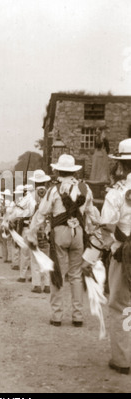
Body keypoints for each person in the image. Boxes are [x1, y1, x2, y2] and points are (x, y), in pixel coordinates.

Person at [28, 154, 97, 327]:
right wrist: (92, 230)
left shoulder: (54, 190)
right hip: (78, 233)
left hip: (60, 232)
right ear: (74, 171)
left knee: (57, 272)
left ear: (58, 170)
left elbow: (42, 212)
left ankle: (57, 315)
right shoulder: (85, 188)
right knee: (76, 275)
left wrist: (32, 232)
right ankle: (78, 315)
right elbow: (91, 212)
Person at [82, 138, 131, 374]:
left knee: (121, 306)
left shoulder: (117, 194)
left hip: (125, 255)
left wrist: (89, 258)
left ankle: (122, 360)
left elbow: (106, 231)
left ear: (121, 165)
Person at [27, 170, 51, 293]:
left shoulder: (31, 195)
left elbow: (28, 212)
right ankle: (47, 284)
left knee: (35, 257)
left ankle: (36, 284)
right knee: (46, 257)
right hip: (47, 228)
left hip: (35, 227)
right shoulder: (50, 194)